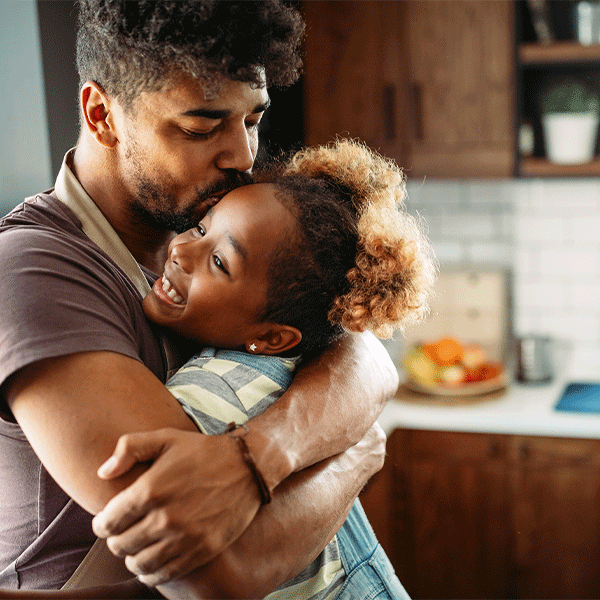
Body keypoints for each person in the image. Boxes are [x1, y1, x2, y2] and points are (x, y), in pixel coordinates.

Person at [0, 0, 401, 597]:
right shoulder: (34, 269)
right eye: (201, 126)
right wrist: (355, 452)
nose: (242, 155)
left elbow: (358, 350)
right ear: (101, 113)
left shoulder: (203, 226)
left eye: (253, 120)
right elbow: (221, 574)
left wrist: (262, 456)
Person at [142, 138, 435, 600]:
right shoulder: (299, 361)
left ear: (274, 338)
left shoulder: (213, 393)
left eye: (220, 262)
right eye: (200, 229)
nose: (181, 251)